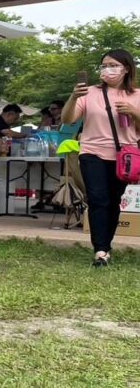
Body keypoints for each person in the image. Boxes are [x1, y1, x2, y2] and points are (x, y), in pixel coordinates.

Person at [63, 49, 140, 267]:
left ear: (125, 68)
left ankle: (106, 244)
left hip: (124, 156)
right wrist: (73, 97)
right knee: (98, 199)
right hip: (92, 152)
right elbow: (68, 119)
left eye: (113, 65)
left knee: (113, 201)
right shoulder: (89, 93)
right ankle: (100, 250)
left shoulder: (136, 95)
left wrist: (134, 113)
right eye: (104, 65)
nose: (108, 69)